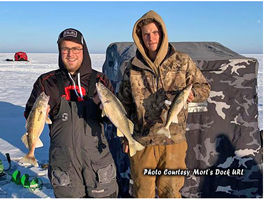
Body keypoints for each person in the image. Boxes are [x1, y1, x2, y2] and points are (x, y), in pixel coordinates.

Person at [118, 10, 211, 198]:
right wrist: (124, 138)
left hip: (173, 141)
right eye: (146, 34)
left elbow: (204, 88)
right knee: (142, 192)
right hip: (142, 142)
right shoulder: (132, 66)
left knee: (170, 192)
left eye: (154, 32)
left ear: (162, 33)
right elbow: (123, 106)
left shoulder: (182, 61)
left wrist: (193, 93)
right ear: (139, 37)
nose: (151, 38)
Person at [24, 28, 118, 198]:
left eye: (76, 48)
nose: (70, 54)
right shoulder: (47, 82)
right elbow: (29, 115)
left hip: (97, 162)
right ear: (60, 52)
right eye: (65, 49)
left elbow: (115, 119)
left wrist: (104, 108)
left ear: (84, 50)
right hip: (64, 164)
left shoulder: (100, 81)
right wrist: (41, 112)